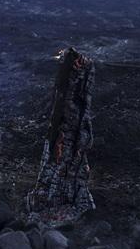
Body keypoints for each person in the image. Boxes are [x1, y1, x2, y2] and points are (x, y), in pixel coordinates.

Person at [26, 48, 96, 226]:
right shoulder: (65, 92)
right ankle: (59, 195)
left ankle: (63, 195)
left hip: (68, 136)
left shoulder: (72, 89)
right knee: (62, 158)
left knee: (66, 158)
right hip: (63, 135)